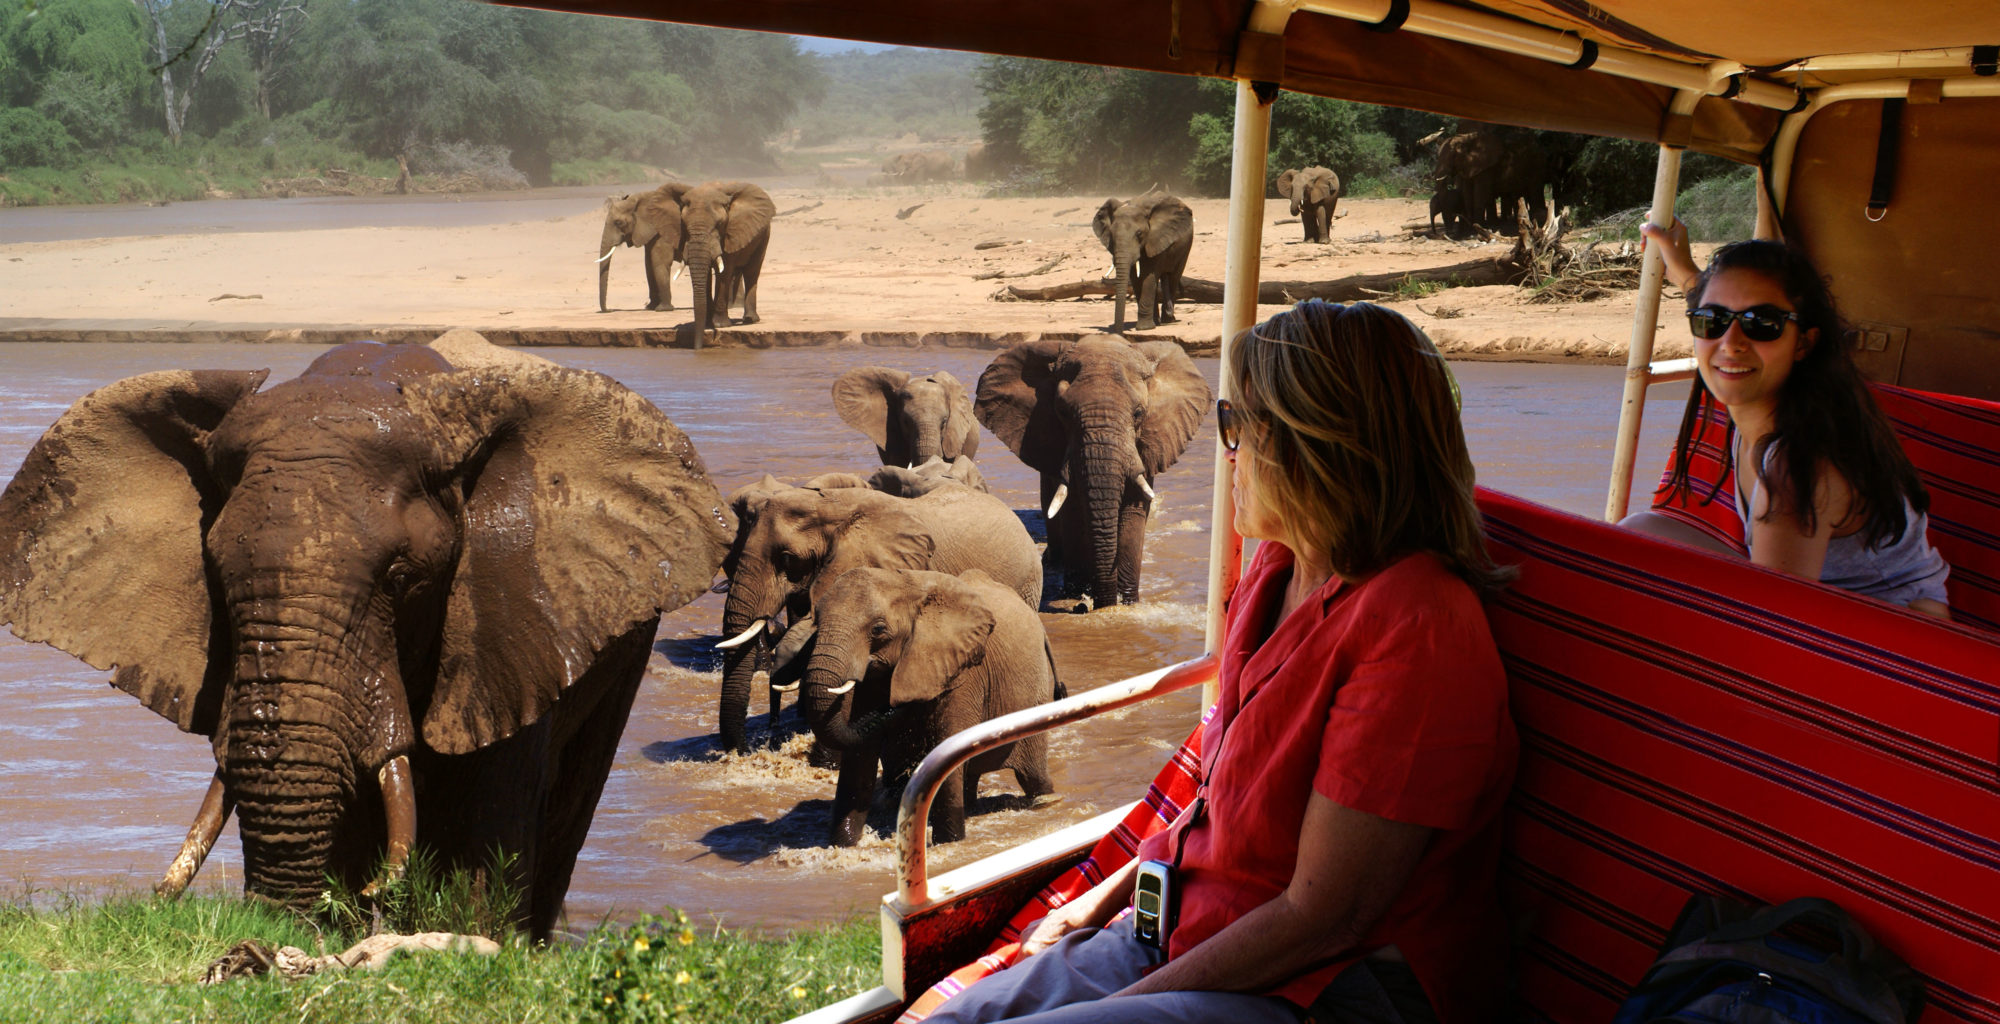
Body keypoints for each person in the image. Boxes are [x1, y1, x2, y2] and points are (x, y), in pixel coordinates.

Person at [924, 300, 1519, 1024]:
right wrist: (1094, 905)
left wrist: (1130, 1000)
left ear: (1323, 446)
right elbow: (1215, 807)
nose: (1225, 452)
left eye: (1237, 427)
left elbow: (1326, 918)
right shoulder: (1277, 568)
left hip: (1320, 986)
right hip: (1189, 933)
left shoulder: (1417, 625)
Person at [1634, 218, 1951, 620]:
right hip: (1814, 593)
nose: (1730, 344)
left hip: (1895, 633)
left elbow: (1775, 627)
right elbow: (1710, 297)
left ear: (1804, 341)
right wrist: (1677, 260)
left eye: (1762, 325)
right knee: (1637, 532)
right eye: (1711, 321)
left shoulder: (1794, 464)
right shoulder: (1779, 401)